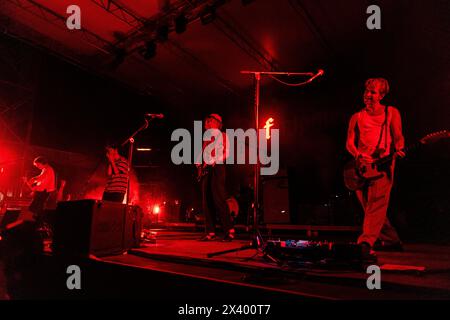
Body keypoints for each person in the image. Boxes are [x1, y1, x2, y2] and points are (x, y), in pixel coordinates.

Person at [346, 78, 405, 261]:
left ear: (381, 95)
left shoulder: (391, 112)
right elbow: (349, 142)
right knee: (369, 207)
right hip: (362, 167)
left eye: (373, 92)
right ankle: (391, 240)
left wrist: (399, 149)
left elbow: (398, 137)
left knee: (377, 204)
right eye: (367, 91)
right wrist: (357, 154)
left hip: (383, 165)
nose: (368, 95)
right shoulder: (357, 116)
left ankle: (365, 243)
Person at [197, 114, 235, 241]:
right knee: (206, 200)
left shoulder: (222, 135)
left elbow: (227, 152)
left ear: (218, 123)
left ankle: (229, 230)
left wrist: (215, 160)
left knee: (219, 199)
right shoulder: (207, 138)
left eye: (211, 121)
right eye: (207, 121)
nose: (208, 123)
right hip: (207, 169)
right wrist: (199, 162)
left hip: (217, 167)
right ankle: (210, 232)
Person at [24, 156, 56, 221]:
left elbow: (41, 178)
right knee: (37, 207)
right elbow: (41, 178)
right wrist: (33, 182)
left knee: (35, 206)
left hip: (44, 191)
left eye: (38, 165)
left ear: (41, 162)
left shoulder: (48, 169)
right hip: (43, 191)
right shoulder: (45, 169)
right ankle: (35, 220)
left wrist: (33, 181)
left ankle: (31, 220)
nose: (37, 167)